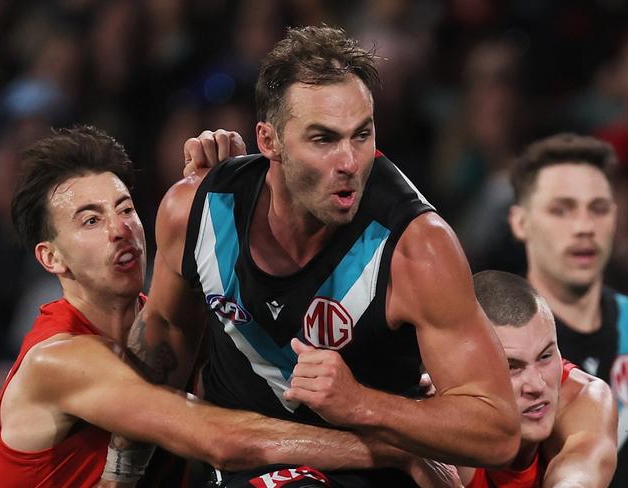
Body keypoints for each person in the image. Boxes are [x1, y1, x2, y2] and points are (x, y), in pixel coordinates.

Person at [120, 25, 520, 487]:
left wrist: (361, 403)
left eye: (361, 134)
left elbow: (498, 429)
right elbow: (164, 346)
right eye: (323, 139)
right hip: (239, 463)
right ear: (268, 141)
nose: (350, 162)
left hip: (368, 470)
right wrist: (121, 474)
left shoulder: (416, 247)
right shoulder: (197, 212)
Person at [0, 125, 453, 488]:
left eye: (124, 209)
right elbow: (221, 439)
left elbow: (267, 380)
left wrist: (221, 197)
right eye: (89, 220)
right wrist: (394, 447)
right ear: (51, 257)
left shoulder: (176, 320)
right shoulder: (58, 358)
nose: (120, 229)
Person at [508, 132, 628, 486]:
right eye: (561, 209)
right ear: (520, 222)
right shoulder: (486, 337)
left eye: (599, 209)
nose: (584, 228)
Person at [455, 270, 617, 487]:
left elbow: (578, 475)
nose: (537, 386)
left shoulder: (585, 398)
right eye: (512, 367)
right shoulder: (438, 421)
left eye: (545, 356)